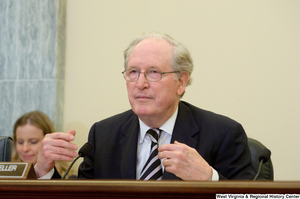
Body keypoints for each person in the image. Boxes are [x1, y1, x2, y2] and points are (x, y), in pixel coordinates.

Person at [36, 32, 256, 180]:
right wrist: (44, 171)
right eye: (133, 72)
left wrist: (209, 178)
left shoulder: (223, 133)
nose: (140, 84)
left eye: (154, 72)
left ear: (181, 82)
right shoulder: (103, 135)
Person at [12, 110, 75, 179]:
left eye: (33, 142)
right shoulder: (6, 175)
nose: (25, 149)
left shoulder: (68, 179)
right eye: (20, 142)